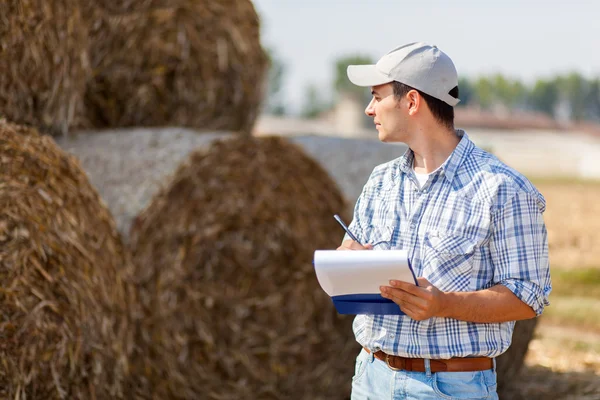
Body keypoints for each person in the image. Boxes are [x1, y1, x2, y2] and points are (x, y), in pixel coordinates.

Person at [337, 42, 552, 399]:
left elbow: (528, 297)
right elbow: (352, 244)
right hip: (370, 379)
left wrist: (444, 304)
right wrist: (349, 257)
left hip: (450, 388)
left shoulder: (503, 189)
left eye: (377, 96)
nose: (369, 108)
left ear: (411, 102)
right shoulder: (380, 181)